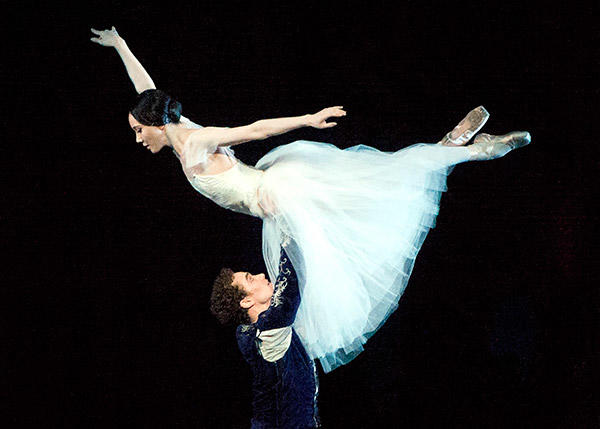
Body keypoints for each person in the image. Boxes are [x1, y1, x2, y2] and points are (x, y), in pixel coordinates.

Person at [91, 27, 532, 372]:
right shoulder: (179, 128)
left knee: (376, 198)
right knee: (376, 195)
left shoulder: (194, 143)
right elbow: (146, 92)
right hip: (279, 200)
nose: (137, 139)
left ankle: (468, 149)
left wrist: (307, 118)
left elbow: (254, 129)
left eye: (137, 131)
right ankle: (452, 148)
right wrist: (122, 46)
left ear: (154, 125)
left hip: (282, 195)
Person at [211, 241, 321, 428]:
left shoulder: (250, 331)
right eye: (251, 279)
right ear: (246, 301)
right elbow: (292, 277)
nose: (261, 275)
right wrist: (286, 226)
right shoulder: (268, 330)